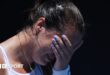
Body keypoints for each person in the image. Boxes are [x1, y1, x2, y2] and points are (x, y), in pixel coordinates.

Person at [0, 0, 85, 75]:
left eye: (66, 49)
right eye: (60, 44)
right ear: (40, 25)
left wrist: (61, 69)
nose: (59, 56)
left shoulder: (51, 66)